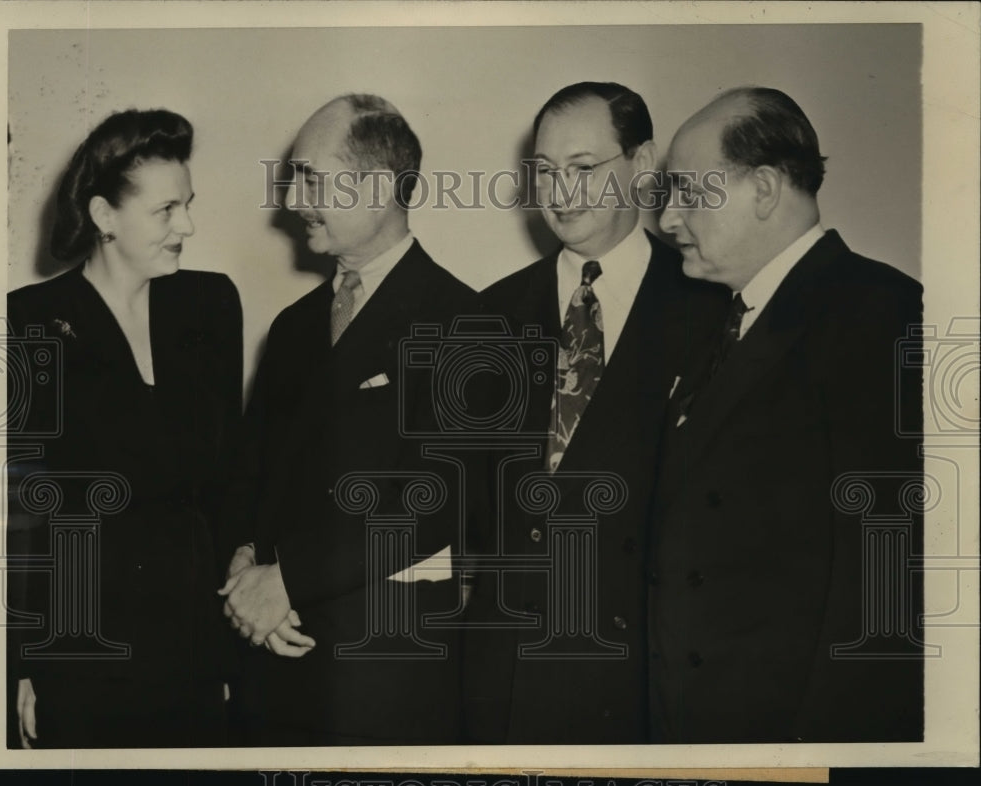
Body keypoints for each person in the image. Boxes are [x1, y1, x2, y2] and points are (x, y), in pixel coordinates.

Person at [649, 86, 924, 743]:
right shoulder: (720, 322)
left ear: (765, 189)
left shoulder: (880, 312)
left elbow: (885, 582)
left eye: (688, 192)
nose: (665, 219)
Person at [462, 82, 724, 744]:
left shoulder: (713, 309)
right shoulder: (485, 317)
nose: (560, 193)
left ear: (641, 164)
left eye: (583, 169)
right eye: (545, 173)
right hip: (500, 684)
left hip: (637, 681)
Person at [220, 94, 476, 746]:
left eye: (311, 177)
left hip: (381, 677)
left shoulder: (466, 323)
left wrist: (286, 582)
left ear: (381, 186)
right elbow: (250, 476)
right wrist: (245, 573)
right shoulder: (293, 326)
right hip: (270, 666)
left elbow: (430, 503)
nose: (292, 199)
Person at [7, 109, 243, 748]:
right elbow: (21, 513)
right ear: (105, 216)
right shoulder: (29, 322)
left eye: (187, 205)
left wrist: (229, 651)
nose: (187, 225)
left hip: (195, 645)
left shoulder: (212, 304)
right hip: (83, 649)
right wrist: (21, 667)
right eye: (166, 211)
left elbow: (230, 485)